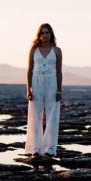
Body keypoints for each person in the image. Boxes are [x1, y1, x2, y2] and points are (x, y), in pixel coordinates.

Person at [25, 23, 62, 157]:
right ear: (39, 35)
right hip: (37, 82)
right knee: (35, 115)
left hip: (52, 82)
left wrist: (59, 90)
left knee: (52, 115)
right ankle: (35, 148)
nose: (45, 35)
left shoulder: (57, 50)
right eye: (42, 33)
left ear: (51, 34)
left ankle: (50, 148)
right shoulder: (34, 50)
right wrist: (28, 89)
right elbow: (29, 70)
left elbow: (59, 72)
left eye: (47, 32)